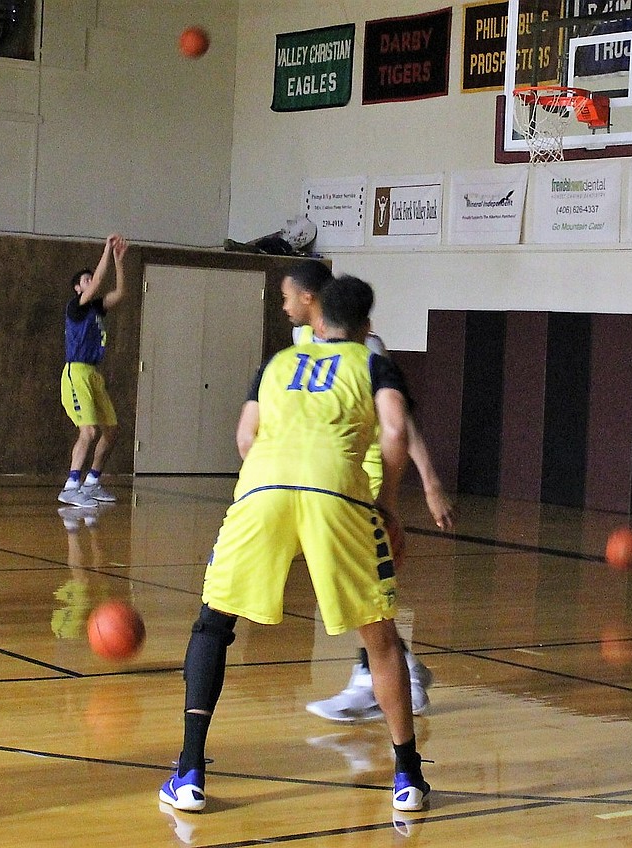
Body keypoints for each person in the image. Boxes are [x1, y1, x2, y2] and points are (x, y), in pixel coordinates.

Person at [158, 274, 430, 815]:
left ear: (319, 318)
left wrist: (273, 479)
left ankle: (189, 772)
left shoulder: (277, 363)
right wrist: (389, 506)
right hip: (338, 494)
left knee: (214, 622)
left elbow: (245, 437)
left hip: (264, 487)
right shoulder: (373, 362)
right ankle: (407, 777)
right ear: (367, 326)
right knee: (378, 636)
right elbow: (396, 433)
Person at [278, 262, 452, 723]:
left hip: (365, 472)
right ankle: (401, 667)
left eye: (288, 297)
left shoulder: (366, 349)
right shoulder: (301, 347)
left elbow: (400, 424)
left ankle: (373, 677)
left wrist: (429, 482)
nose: (284, 306)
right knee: (351, 583)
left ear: (312, 301)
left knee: (363, 585)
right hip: (324, 475)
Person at [59, 234, 128, 508]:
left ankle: (91, 482)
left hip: (93, 374)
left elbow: (120, 293)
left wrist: (118, 261)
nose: (92, 281)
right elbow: (99, 282)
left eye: (91, 277)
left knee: (111, 431)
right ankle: (71, 485)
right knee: (88, 432)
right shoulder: (75, 307)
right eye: (85, 280)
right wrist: (107, 249)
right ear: (78, 289)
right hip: (76, 373)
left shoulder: (96, 309)